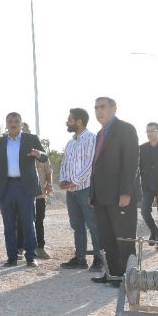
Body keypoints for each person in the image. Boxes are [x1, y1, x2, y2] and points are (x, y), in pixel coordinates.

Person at [89, 97, 140, 287]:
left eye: (102, 107)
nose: (99, 111)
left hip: (120, 195)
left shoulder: (126, 129)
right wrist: (92, 194)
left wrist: (126, 192)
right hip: (101, 195)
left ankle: (129, 276)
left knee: (124, 237)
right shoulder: (100, 133)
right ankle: (112, 273)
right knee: (106, 237)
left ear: (114, 109)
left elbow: (131, 162)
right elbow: (96, 166)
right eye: (96, 108)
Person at [0, 112, 49, 267]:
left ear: (21, 124)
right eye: (10, 121)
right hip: (5, 187)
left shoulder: (31, 139)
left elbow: (45, 156)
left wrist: (38, 153)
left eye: (16, 121)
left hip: (25, 187)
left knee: (28, 223)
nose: (13, 123)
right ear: (6, 123)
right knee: (9, 225)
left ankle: (31, 256)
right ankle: (12, 257)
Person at [58, 108, 103, 272]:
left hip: (86, 189)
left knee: (93, 224)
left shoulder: (92, 139)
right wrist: (63, 180)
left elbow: (91, 164)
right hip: (71, 192)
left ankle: (99, 258)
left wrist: (74, 181)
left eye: (70, 120)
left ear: (79, 121)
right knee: (77, 225)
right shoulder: (70, 143)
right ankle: (80, 258)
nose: (67, 122)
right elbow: (65, 164)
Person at [16, 122, 53, 259]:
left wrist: (49, 184)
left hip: (39, 193)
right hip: (23, 193)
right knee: (20, 220)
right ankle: (19, 249)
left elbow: (48, 170)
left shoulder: (40, 152)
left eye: (27, 132)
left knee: (39, 220)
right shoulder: (18, 153)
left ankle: (40, 248)